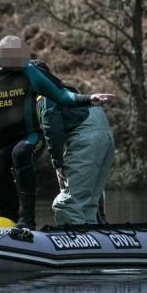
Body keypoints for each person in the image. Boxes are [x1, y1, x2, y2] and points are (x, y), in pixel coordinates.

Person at [0, 35, 117, 228]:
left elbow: (60, 97)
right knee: (1, 182)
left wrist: (88, 98)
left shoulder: (30, 73)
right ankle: (9, 226)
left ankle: (28, 221)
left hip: (30, 137)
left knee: (20, 154)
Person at [34, 60, 115, 225]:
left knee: (67, 205)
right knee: (88, 204)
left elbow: (52, 129)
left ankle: (75, 245)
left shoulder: (44, 95)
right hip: (104, 132)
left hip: (87, 136)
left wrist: (57, 162)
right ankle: (95, 236)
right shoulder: (65, 90)